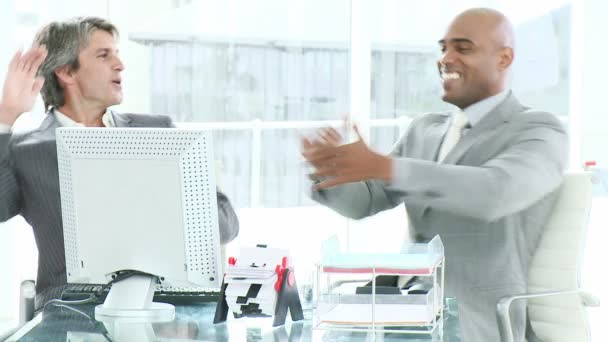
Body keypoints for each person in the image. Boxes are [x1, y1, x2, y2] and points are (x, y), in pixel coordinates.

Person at [302, 8, 567, 342]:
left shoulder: (538, 131)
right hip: (400, 308)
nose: (446, 58)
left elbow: (495, 193)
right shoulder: (424, 129)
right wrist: (331, 172)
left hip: (475, 319)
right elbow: (366, 201)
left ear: (504, 58)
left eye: (463, 48)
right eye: (443, 48)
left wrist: (386, 166)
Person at [0, 17, 239, 308]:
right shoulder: (26, 150)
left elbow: (227, 221)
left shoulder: (158, 132)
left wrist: (169, 208)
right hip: (70, 310)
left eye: (117, 53)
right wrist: (5, 117)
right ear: (65, 72)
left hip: (167, 307)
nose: (120, 64)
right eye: (104, 55)